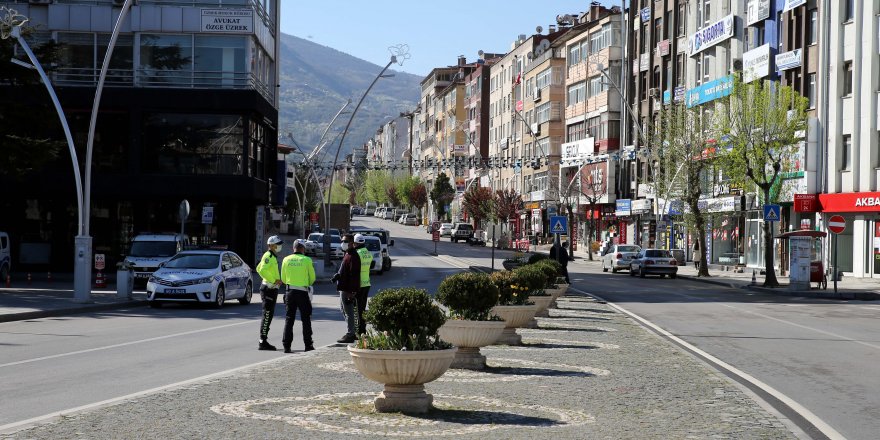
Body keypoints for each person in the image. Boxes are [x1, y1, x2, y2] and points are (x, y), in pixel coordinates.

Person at [280, 241, 316, 353]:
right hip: (302, 292)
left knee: (289, 319)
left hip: (290, 292)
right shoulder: (307, 260)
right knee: (306, 319)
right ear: (303, 249)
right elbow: (312, 278)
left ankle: (286, 346)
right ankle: (308, 345)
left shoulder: (286, 259)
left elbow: (283, 279)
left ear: (293, 248)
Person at [255, 235, 284, 351]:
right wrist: (273, 280)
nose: (279, 246)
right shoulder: (268, 256)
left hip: (272, 288)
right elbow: (261, 270)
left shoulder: (272, 256)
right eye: (278, 244)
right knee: (267, 315)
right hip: (268, 288)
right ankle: (262, 341)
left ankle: (264, 339)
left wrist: (275, 280)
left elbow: (257, 268)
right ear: (272, 246)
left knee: (269, 315)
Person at [332, 234, 361, 343]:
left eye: (345, 241)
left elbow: (354, 275)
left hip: (347, 289)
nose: (343, 243)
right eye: (342, 241)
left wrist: (351, 292)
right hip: (343, 286)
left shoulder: (353, 256)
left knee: (348, 312)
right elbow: (344, 269)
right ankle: (352, 331)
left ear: (351, 243)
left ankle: (351, 334)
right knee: (343, 310)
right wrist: (338, 275)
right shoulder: (347, 254)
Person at [353, 233, 374, 336]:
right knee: (362, 308)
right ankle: (363, 329)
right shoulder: (368, 253)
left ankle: (358, 330)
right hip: (366, 284)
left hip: (358, 284)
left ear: (355, 243)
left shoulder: (356, 254)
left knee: (356, 309)